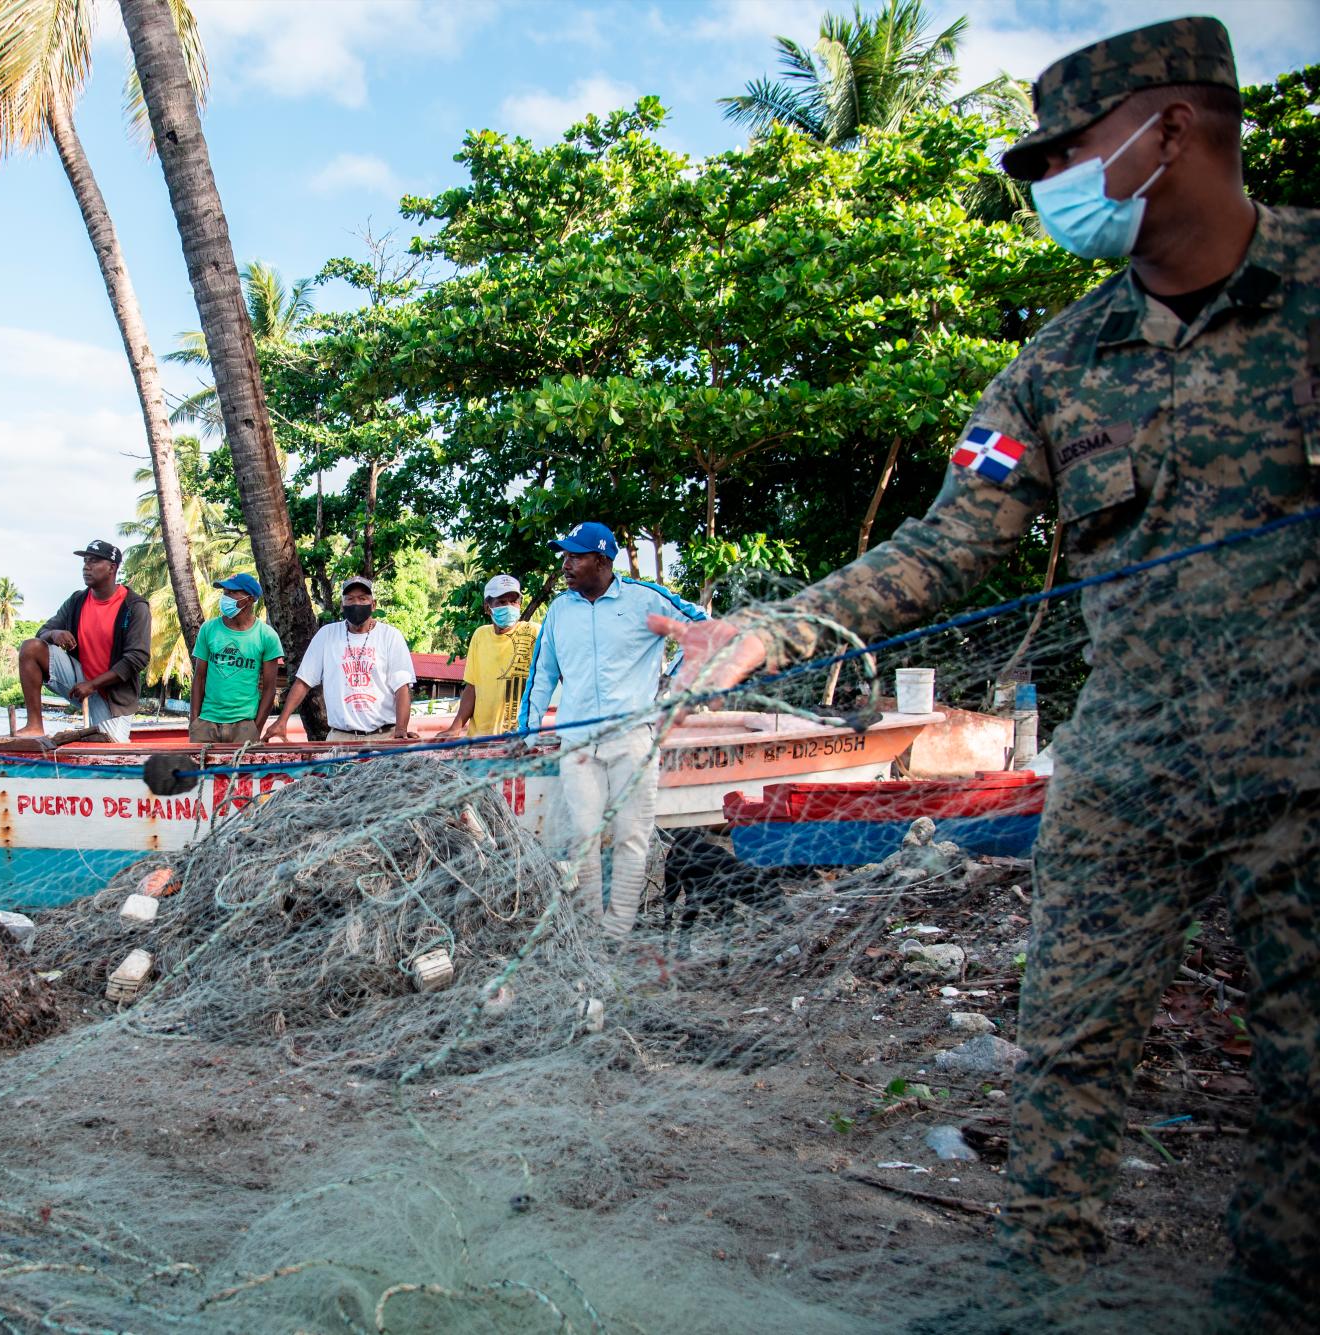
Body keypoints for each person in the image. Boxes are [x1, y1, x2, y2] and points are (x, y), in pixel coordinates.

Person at [650, 17, 1317, 1324]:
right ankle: (1035, 1292)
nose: (1048, 186)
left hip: (1305, 765)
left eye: (1063, 155)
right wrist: (777, 629)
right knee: (1069, 1047)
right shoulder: (1057, 364)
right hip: (1130, 763)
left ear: (1164, 130)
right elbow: (953, 537)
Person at [517, 522, 702, 941]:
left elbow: (703, 626)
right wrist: (526, 732)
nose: (565, 565)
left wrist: (675, 679)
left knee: (632, 837)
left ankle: (617, 932)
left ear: (601, 560)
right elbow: (541, 673)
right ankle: (590, 928)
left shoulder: (643, 600)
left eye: (575, 556)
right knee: (584, 836)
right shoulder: (561, 610)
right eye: (565, 556)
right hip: (578, 743)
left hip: (633, 738)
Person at [16, 540, 150, 743]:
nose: (86, 567)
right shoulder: (77, 600)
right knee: (31, 647)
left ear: (112, 568)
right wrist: (55, 634)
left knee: (109, 749)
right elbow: (42, 632)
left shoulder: (134, 606)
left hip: (112, 696)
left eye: (94, 561)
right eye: (85, 561)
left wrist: (93, 685)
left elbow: (137, 658)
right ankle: (34, 725)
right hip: (79, 679)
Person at [265, 575, 416, 742]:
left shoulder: (390, 636)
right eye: (350, 599)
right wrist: (282, 720)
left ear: (373, 605)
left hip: (385, 736)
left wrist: (401, 730)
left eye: (362, 598)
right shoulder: (327, 635)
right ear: (342, 606)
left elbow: (402, 688)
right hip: (340, 738)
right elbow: (303, 681)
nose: (356, 604)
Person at [187, 572, 283, 744]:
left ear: (250, 598)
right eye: (225, 592)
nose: (226, 597)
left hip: (244, 726)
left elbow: (269, 688)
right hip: (207, 723)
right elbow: (199, 678)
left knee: (243, 773)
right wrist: (194, 723)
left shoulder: (267, 636)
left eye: (233, 592)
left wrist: (256, 729)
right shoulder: (208, 629)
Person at [441, 573, 539, 738]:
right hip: (480, 737)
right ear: (487, 607)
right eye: (501, 602)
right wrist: (455, 728)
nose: (509, 606)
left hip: (519, 739)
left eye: (514, 601)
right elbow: (472, 687)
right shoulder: (480, 636)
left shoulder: (534, 633)